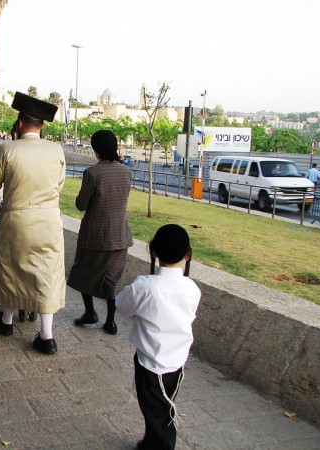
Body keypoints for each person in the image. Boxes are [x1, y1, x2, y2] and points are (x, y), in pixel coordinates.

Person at [0, 92, 65, 354]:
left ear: (19, 123)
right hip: (49, 220)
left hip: (16, 219)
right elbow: (59, 185)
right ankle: (47, 335)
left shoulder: (7, 149)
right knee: (47, 273)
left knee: (10, 269)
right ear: (42, 126)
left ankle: (6, 321)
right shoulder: (56, 150)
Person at [116, 224, 201, 450]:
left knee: (157, 412)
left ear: (153, 251)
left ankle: (160, 445)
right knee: (162, 406)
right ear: (187, 255)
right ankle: (151, 441)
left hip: (150, 362)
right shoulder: (192, 288)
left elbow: (121, 307)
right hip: (178, 361)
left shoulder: (144, 286)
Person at [67, 129, 133, 335]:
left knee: (84, 272)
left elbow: (81, 204)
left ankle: (90, 312)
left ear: (95, 150)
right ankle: (110, 321)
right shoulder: (126, 171)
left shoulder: (92, 173)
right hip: (120, 234)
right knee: (113, 278)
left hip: (94, 235)